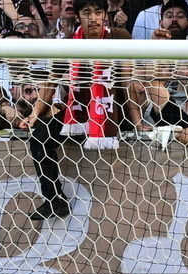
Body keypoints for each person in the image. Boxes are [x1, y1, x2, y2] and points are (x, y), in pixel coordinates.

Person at [19, 0, 135, 222]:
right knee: (41, 132)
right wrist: (34, 114)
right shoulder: (69, 43)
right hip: (77, 115)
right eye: (87, 12)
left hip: (113, 113)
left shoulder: (119, 35)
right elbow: (50, 82)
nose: (93, 18)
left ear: (104, 15)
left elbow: (128, 82)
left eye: (98, 12)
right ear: (78, 17)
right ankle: (54, 199)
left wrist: (137, 121)